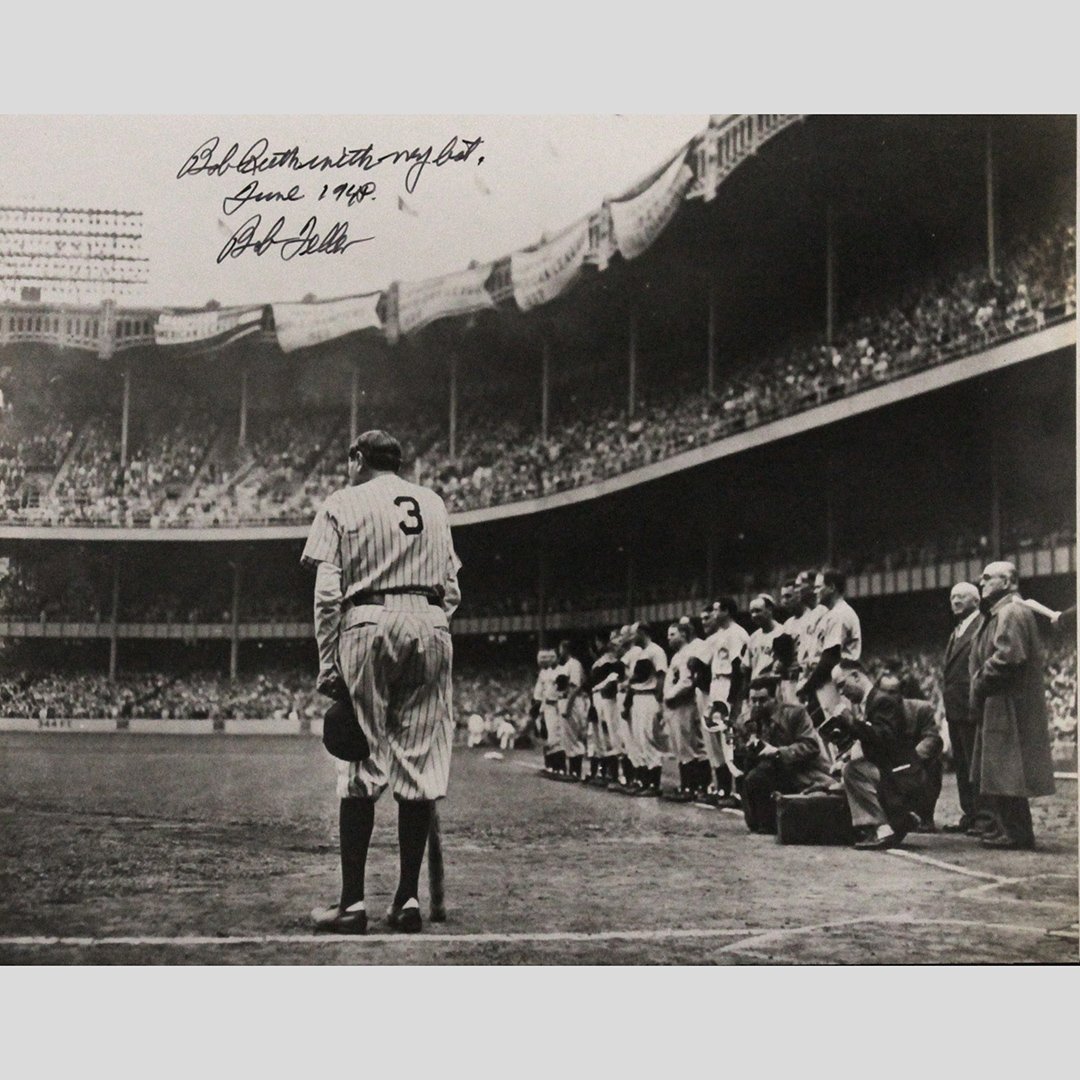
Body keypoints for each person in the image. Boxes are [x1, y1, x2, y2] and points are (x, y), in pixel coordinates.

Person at [302, 429, 462, 935]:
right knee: (418, 767)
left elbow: (328, 593)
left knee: (360, 768)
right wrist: (426, 623)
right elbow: (453, 588)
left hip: (368, 620)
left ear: (357, 459)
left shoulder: (342, 502)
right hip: (432, 623)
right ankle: (407, 900)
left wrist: (331, 663)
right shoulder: (433, 503)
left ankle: (352, 905)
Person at [968, 561, 1056, 850]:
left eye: (988, 578)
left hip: (1006, 700)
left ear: (1007, 582)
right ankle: (1011, 828)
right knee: (999, 768)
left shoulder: (1011, 611)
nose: (981, 581)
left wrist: (980, 678)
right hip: (999, 698)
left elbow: (1009, 657)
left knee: (1005, 768)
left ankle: (1016, 832)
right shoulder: (1001, 612)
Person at [831, 659, 943, 851]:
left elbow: (884, 739)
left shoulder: (881, 700)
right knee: (849, 769)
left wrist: (851, 722)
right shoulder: (870, 702)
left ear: (856, 676)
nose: (841, 692)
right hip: (897, 772)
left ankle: (882, 827)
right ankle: (900, 819)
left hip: (902, 775)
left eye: (842, 685)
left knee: (853, 771)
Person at [732, 675, 832, 833]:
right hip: (763, 775)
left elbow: (811, 745)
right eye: (753, 700)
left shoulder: (795, 713)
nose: (757, 705)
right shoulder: (745, 720)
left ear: (775, 697)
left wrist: (778, 752)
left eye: (763, 700)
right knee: (753, 823)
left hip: (799, 771)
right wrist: (744, 749)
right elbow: (738, 757)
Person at [941, 582, 989, 834]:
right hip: (954, 708)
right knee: (961, 764)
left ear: (976, 600)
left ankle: (983, 816)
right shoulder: (957, 630)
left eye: (961, 596)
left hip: (970, 706)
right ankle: (970, 813)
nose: (955, 600)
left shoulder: (982, 625)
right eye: (952, 596)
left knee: (973, 763)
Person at [800, 568, 862, 726]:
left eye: (819, 587)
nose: (815, 591)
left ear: (832, 587)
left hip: (840, 682)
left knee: (845, 736)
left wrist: (808, 686)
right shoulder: (832, 613)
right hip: (831, 681)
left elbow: (830, 657)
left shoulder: (839, 614)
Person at [662, 620, 709, 800]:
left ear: (684, 634)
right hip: (677, 704)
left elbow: (686, 681)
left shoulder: (689, 652)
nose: (669, 638)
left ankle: (692, 787)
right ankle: (691, 786)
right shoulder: (677, 655)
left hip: (683, 703)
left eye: (673, 634)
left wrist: (670, 696)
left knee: (687, 746)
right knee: (682, 746)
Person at [621, 622, 669, 796]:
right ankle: (644, 781)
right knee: (640, 740)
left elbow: (661, 675)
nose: (632, 638)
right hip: (637, 697)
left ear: (642, 633)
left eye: (634, 634)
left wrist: (660, 701)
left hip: (650, 697)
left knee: (649, 739)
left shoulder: (656, 651)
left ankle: (654, 785)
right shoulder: (641, 653)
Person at [589, 630, 625, 787]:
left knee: (612, 735)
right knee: (601, 737)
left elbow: (613, 681)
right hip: (597, 698)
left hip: (608, 699)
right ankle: (604, 773)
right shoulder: (599, 661)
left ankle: (616, 774)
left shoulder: (614, 661)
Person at [554, 639, 590, 781]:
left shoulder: (574, 664)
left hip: (573, 702)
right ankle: (572, 771)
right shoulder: (567, 665)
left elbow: (576, 687)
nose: (559, 652)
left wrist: (568, 707)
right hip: (566, 700)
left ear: (566, 649)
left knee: (573, 737)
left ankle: (576, 772)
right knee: (567, 737)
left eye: (561, 649)